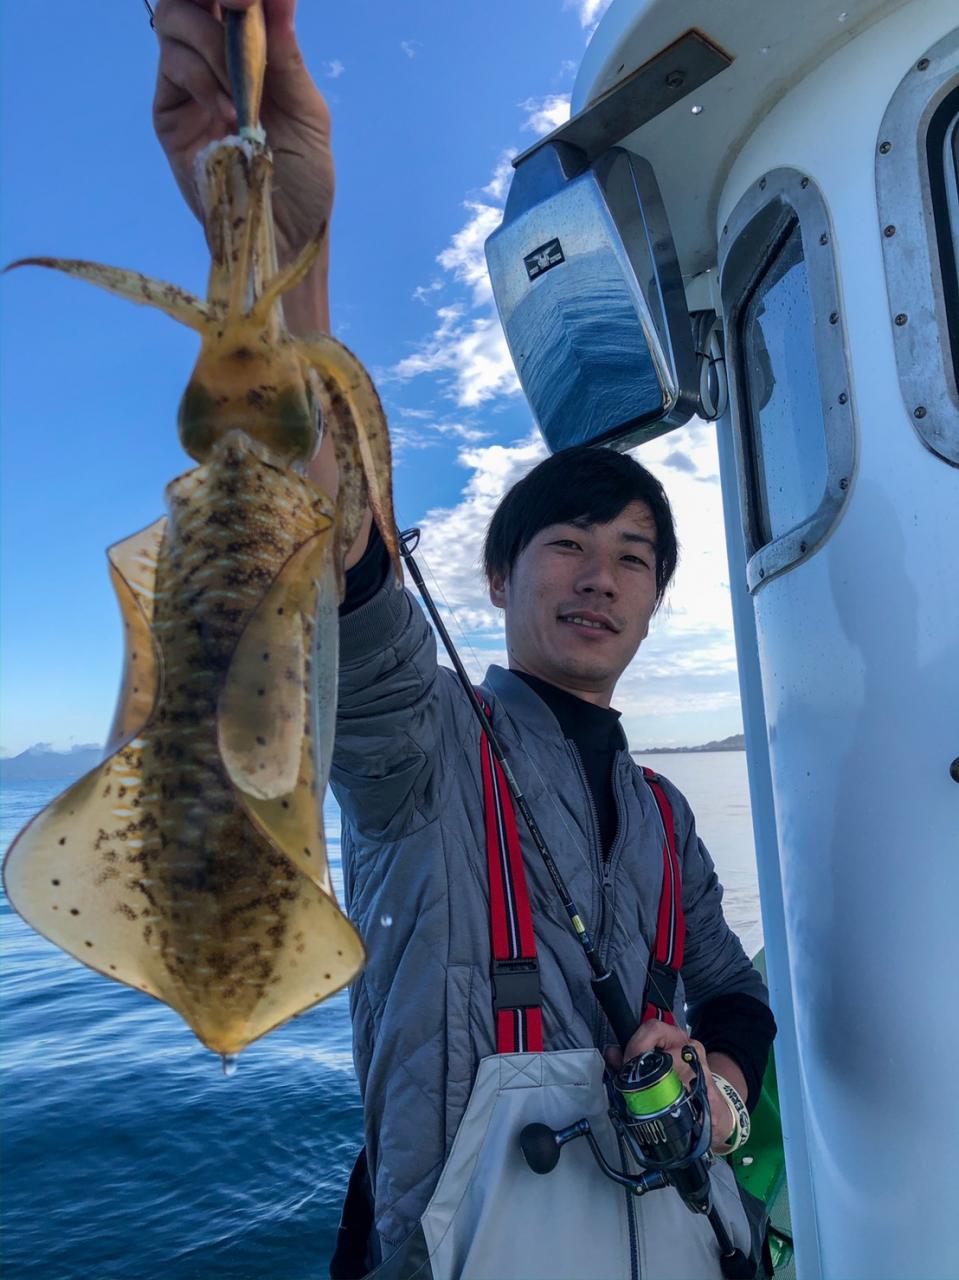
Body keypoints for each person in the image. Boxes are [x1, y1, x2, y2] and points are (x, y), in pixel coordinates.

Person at [153, 4, 777, 1277]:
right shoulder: (420, 741)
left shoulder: (663, 815)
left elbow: (736, 991)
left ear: (657, 602)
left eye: (633, 558)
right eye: (567, 544)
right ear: (496, 575)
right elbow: (340, 546)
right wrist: (281, 238)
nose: (600, 578)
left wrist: (712, 1082)